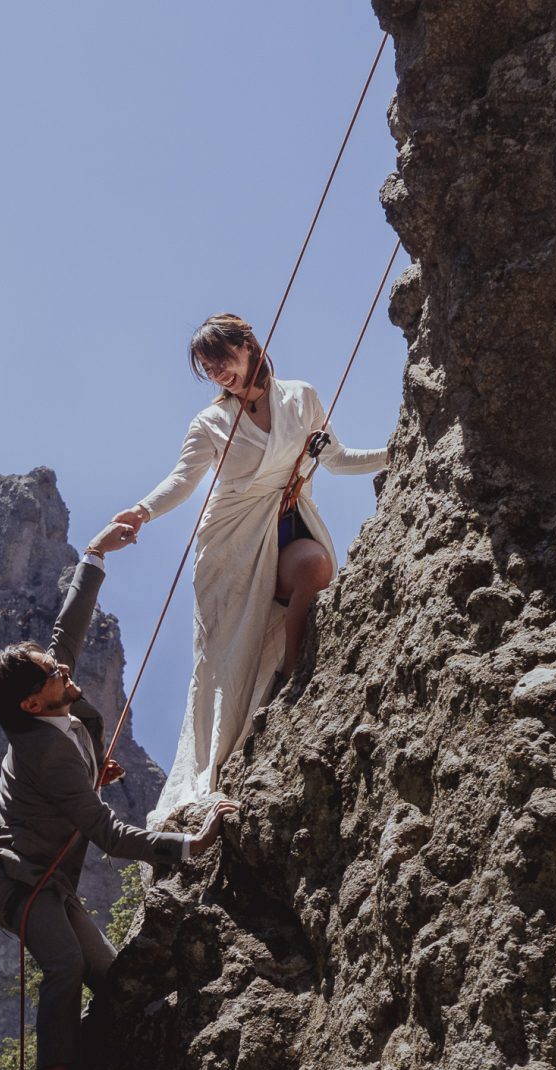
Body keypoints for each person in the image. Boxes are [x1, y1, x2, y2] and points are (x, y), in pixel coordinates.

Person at [0, 520, 234, 1070]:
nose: (62, 669)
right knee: (62, 966)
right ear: (34, 705)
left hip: (45, 882)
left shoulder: (52, 712)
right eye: (49, 675)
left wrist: (94, 558)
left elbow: (66, 634)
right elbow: (107, 834)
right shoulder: (43, 753)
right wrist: (189, 847)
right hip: (11, 883)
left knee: (110, 979)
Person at [112, 313, 388, 823]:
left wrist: (399, 451)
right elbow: (182, 480)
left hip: (286, 523)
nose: (218, 373)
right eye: (207, 368)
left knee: (315, 567)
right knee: (223, 658)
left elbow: (338, 458)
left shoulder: (300, 397)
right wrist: (141, 512)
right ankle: (214, 763)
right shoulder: (210, 423)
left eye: (222, 359)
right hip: (230, 545)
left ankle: (290, 675)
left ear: (248, 345)